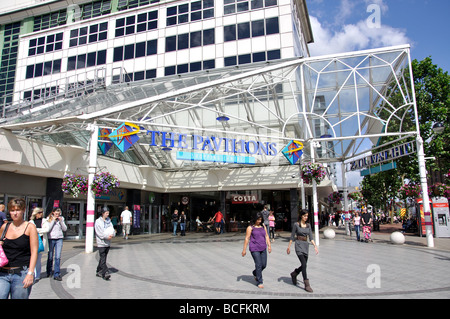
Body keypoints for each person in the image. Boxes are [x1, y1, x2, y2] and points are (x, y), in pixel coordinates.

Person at [0, 198, 39, 299]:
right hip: (3, 273)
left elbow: (34, 252)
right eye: (12, 210)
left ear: (23, 210)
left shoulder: (30, 227)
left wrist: (30, 273)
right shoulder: (5, 227)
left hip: (21, 273)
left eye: (18, 210)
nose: (15, 213)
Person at [287, 210, 319, 293]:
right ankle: (306, 284)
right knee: (304, 264)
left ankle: (294, 273)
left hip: (305, 245)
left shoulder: (308, 225)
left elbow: (311, 237)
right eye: (304, 216)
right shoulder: (296, 225)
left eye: (307, 216)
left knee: (304, 265)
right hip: (298, 245)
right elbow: (292, 236)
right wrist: (289, 247)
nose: (306, 217)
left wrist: (315, 246)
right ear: (301, 216)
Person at [242, 212, 271, 289]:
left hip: (263, 247)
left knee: (263, 265)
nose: (259, 221)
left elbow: (266, 235)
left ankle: (255, 273)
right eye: (258, 219)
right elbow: (247, 238)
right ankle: (259, 281)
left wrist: (269, 245)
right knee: (258, 264)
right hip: (254, 248)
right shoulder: (250, 227)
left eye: (260, 219)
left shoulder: (263, 226)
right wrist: (244, 250)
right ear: (254, 219)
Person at [44, 207, 67, 281]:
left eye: (59, 213)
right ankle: (49, 271)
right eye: (56, 213)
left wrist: (61, 222)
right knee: (50, 256)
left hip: (59, 239)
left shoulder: (61, 219)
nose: (57, 215)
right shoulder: (49, 219)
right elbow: (48, 229)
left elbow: (65, 229)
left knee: (57, 256)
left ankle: (57, 273)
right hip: (51, 239)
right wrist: (53, 221)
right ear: (53, 212)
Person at [29, 207, 49, 282]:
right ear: (36, 213)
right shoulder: (31, 221)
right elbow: (30, 230)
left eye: (41, 212)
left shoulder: (44, 221)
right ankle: (32, 273)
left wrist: (36, 230)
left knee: (38, 259)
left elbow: (46, 230)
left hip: (41, 241)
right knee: (32, 258)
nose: (41, 214)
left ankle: (37, 275)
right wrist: (39, 230)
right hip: (33, 242)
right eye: (39, 212)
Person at [95, 209, 114, 281]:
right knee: (103, 257)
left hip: (108, 242)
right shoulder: (98, 222)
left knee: (103, 257)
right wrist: (106, 237)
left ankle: (98, 270)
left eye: (108, 213)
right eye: (106, 213)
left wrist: (112, 234)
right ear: (103, 213)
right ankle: (105, 273)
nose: (108, 214)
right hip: (101, 243)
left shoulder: (109, 221)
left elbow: (111, 229)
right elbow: (99, 233)